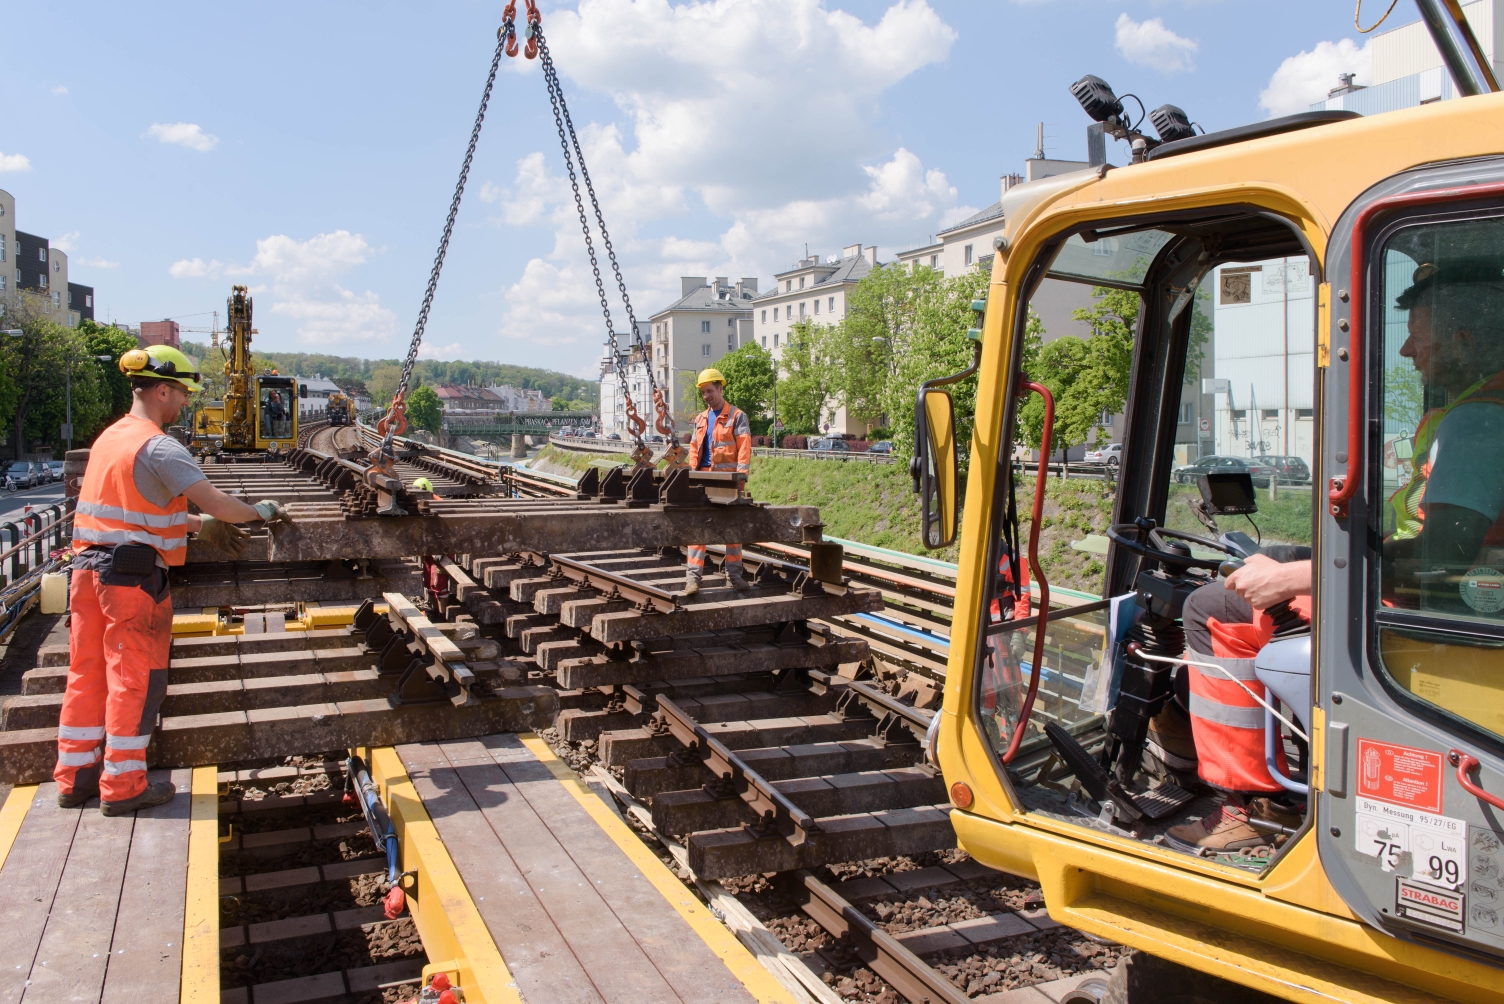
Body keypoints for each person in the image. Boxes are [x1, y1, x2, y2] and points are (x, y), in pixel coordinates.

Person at [1166, 260, 1504, 853]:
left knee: (1207, 607)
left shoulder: (1478, 424)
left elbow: (1441, 559)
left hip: (1422, 606)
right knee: (1268, 561)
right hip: (1430, 592)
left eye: (1418, 337)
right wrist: (1293, 558)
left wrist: (1293, 576)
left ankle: (1249, 802)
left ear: (1464, 341)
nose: (1404, 351)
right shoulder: (1479, 408)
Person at [57, 345, 291, 815]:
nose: (185, 402)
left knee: (87, 674)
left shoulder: (111, 439)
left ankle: (75, 777)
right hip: (131, 580)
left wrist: (196, 527)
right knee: (134, 680)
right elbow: (219, 504)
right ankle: (122, 787)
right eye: (182, 393)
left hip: (86, 575)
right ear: (162, 389)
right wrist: (259, 511)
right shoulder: (159, 445)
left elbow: (133, 511)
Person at [684, 368, 752, 595]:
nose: (706, 396)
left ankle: (734, 577)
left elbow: (744, 448)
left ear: (720, 388)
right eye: (703, 393)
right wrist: (691, 476)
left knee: (732, 531)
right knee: (698, 530)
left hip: (727, 482)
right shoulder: (701, 419)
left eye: (710, 391)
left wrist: (741, 478)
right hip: (702, 479)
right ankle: (692, 580)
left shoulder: (737, 416)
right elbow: (694, 449)